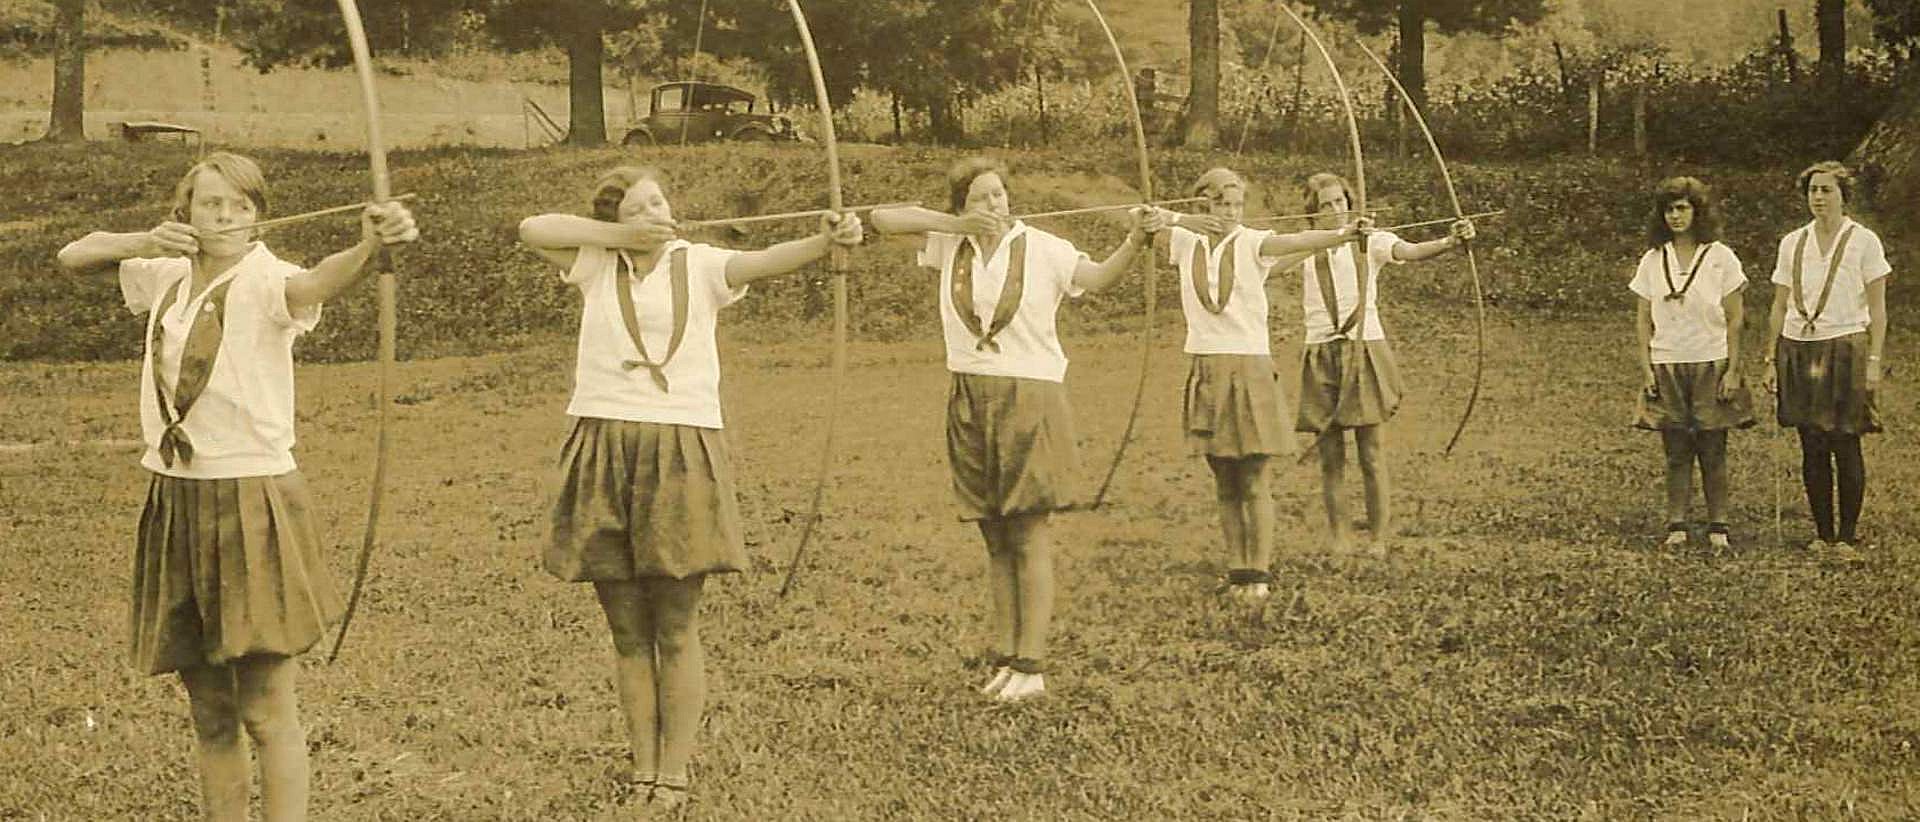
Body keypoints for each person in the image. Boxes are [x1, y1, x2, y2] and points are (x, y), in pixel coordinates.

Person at [55, 151, 419, 821]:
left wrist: (371, 243)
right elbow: (75, 255)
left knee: (266, 706)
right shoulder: (163, 272)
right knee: (210, 708)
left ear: (258, 217)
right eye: (210, 204)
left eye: (239, 207)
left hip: (251, 499)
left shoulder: (266, 278)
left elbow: (316, 283)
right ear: (186, 211)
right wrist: (145, 240)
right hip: (176, 497)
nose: (224, 217)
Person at [518, 165, 862, 809]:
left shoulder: (700, 264)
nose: (657, 211)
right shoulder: (596, 263)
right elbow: (532, 228)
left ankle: (673, 771)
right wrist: (622, 236)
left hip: (679, 447)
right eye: (641, 205)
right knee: (626, 630)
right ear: (616, 219)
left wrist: (827, 240)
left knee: (674, 626)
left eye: (662, 202)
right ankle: (642, 765)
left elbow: (766, 260)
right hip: (603, 445)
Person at [868, 157, 1171, 701]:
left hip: (1029, 394)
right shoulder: (948, 245)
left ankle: (1031, 664)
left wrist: (1135, 239)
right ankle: (1006, 656)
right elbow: (882, 220)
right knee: (993, 533)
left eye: (1000, 196)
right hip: (969, 392)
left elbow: (1098, 279)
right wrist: (956, 226)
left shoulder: (1045, 247)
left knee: (1028, 532)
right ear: (961, 206)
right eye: (981, 198)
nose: (994, 207)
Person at [1160, 167, 1362, 598]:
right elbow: (1144, 218)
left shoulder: (1252, 241)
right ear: (1203, 205)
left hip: (1249, 367)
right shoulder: (1184, 241)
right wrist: (1183, 220)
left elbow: (1294, 241)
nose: (1230, 213)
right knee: (1224, 478)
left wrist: (1342, 234)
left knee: (1253, 475)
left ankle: (1260, 572)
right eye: (1220, 204)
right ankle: (1239, 571)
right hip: (1208, 368)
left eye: (1236, 205)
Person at [1283, 171, 1475, 554]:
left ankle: (1378, 539)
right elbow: (1266, 266)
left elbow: (1412, 251)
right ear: (1313, 214)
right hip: (1321, 351)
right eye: (1326, 206)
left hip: (1363, 348)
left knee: (1370, 451)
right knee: (1331, 455)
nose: (1337, 210)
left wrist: (1452, 240)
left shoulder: (1372, 243)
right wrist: (1329, 239)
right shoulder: (1304, 248)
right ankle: (1340, 537)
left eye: (1341, 202)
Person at [1760, 161, 1890, 558]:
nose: (1818, 197)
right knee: (1811, 442)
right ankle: (1822, 533)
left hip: (1845, 345)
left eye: (1826, 190)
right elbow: (1779, 305)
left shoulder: (1864, 241)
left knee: (1844, 440)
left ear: (1843, 195)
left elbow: (1879, 309)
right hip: (1799, 346)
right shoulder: (1792, 242)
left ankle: (1847, 537)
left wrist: (1873, 359)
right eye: (1813, 190)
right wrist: (1770, 358)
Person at [1629, 176, 1754, 550]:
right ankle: (1677, 524)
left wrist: (1733, 369)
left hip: (1710, 360)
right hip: (1668, 360)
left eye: (1683, 208)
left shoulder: (1720, 257)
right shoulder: (1653, 259)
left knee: (1713, 446)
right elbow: (1642, 318)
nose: (1676, 216)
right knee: (1676, 447)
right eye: (1669, 209)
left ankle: (1719, 525)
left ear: (1697, 212)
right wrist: (1646, 366)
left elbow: (1735, 318)